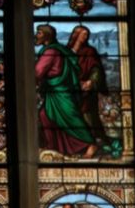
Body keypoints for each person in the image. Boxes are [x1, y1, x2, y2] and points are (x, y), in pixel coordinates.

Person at [34, 24, 97, 158]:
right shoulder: (57, 49)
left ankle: (90, 143)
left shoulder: (51, 52)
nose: (36, 36)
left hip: (60, 91)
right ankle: (55, 147)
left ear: (47, 35)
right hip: (56, 91)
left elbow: (37, 72)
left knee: (71, 118)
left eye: (39, 33)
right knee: (45, 116)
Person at [68, 25, 110, 144]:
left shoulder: (90, 51)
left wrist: (91, 81)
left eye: (87, 34)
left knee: (89, 114)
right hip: (70, 88)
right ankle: (75, 141)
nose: (86, 37)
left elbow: (96, 69)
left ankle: (93, 139)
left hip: (87, 89)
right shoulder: (65, 51)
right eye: (83, 34)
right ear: (75, 35)